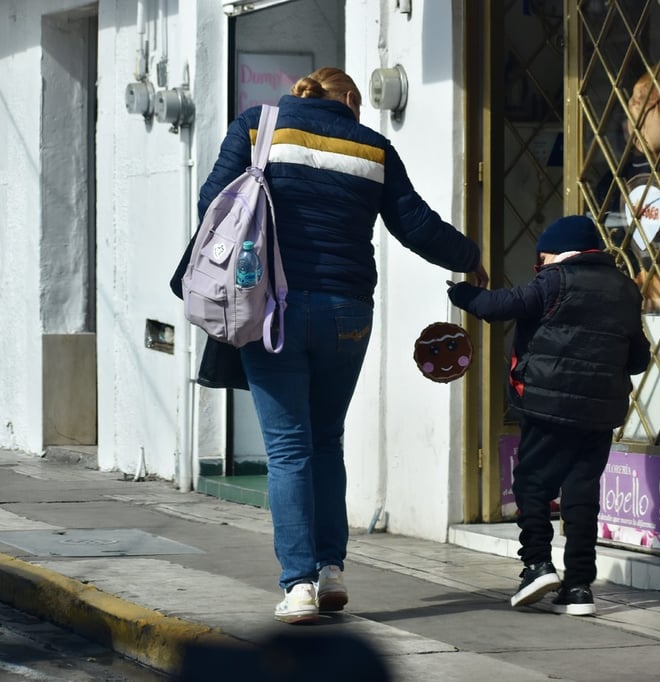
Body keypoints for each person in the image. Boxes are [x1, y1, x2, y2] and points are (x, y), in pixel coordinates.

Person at [193, 67, 488, 624]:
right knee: (326, 441)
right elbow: (416, 225)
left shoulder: (258, 127)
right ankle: (331, 572)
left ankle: (298, 583)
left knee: (287, 450)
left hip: (271, 309)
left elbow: (214, 200)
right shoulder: (373, 147)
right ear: (351, 100)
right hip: (347, 313)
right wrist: (468, 256)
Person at [447, 215, 650, 616]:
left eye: (542, 257)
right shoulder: (626, 289)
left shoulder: (554, 280)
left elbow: (500, 306)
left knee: (532, 483)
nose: (539, 264)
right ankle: (578, 588)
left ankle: (537, 564)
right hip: (600, 412)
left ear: (557, 252)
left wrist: (463, 294)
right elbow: (639, 358)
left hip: (549, 406)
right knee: (581, 492)